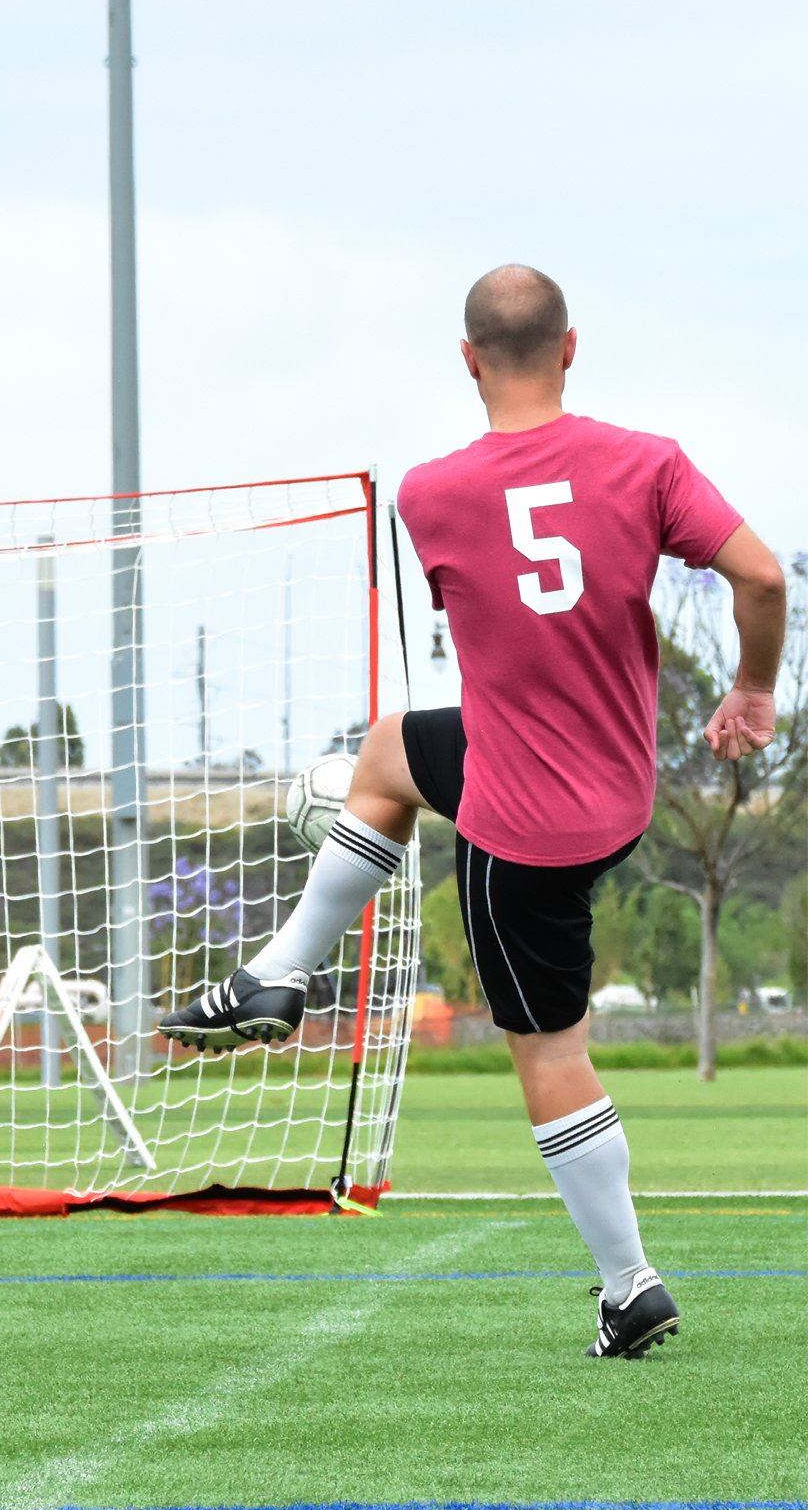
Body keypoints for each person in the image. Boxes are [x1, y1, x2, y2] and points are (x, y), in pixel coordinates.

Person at [160, 264, 787, 1358]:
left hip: (522, 827)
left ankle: (628, 1283)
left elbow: (493, 609)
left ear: (466, 360)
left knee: (548, 1054)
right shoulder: (648, 462)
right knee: (388, 753)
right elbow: (764, 578)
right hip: (617, 791)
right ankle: (277, 972)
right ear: (570, 346)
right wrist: (753, 688)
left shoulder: (429, 494)